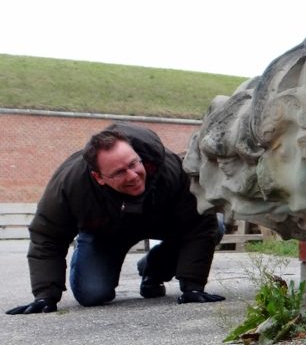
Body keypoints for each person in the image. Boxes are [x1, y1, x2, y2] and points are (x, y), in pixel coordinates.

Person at [6, 123, 225, 315]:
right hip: (105, 232)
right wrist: (45, 295)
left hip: (161, 222)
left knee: (216, 226)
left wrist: (192, 287)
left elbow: (199, 223)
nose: (133, 176)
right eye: (119, 172)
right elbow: (47, 236)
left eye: (133, 164)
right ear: (99, 177)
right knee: (92, 294)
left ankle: (154, 268)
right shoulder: (70, 185)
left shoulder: (169, 168)